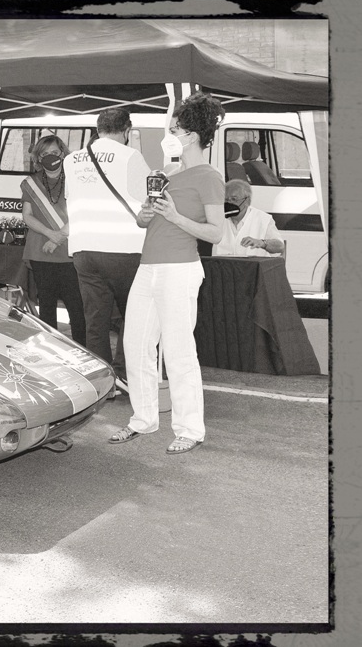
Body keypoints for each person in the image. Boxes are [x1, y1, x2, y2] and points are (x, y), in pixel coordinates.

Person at [109, 92, 227, 455]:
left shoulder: (209, 176)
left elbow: (216, 233)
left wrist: (175, 216)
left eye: (174, 129)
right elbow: (144, 220)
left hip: (180, 269)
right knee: (135, 344)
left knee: (178, 350)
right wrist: (146, 215)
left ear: (192, 135)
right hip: (149, 266)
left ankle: (190, 428)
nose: (169, 134)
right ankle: (143, 419)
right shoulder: (167, 173)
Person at [63, 108, 150, 396]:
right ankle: (125, 375)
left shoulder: (71, 160)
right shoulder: (130, 156)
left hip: (84, 250)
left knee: (96, 319)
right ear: (126, 130)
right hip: (124, 249)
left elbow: (71, 197)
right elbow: (148, 199)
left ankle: (103, 383)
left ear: (98, 129)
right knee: (132, 316)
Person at [20, 135, 87, 347]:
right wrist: (51, 234)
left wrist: (58, 238)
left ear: (63, 154)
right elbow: (27, 216)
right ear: (38, 158)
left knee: (76, 307)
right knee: (46, 308)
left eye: (55, 153)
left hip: (70, 252)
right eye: (45, 154)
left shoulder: (77, 179)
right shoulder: (30, 183)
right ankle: (51, 350)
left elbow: (82, 212)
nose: (51, 157)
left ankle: (82, 349)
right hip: (41, 253)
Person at [213, 179, 285, 257]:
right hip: (222, 264)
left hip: (253, 264)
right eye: (226, 200)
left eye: (234, 199)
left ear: (247, 201)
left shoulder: (263, 219)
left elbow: (280, 247)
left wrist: (262, 243)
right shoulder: (216, 218)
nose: (229, 203)